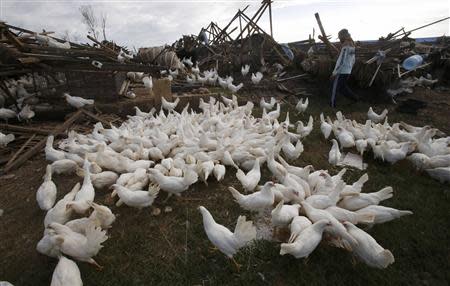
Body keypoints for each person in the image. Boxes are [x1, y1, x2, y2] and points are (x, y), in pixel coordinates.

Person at [330, 29, 358, 108]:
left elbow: (341, 60)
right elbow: (353, 60)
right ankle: (355, 99)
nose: (339, 39)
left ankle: (332, 105)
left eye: (339, 37)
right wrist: (350, 68)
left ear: (343, 36)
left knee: (335, 88)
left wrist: (335, 72)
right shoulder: (352, 45)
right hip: (347, 70)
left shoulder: (346, 45)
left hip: (341, 71)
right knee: (342, 88)